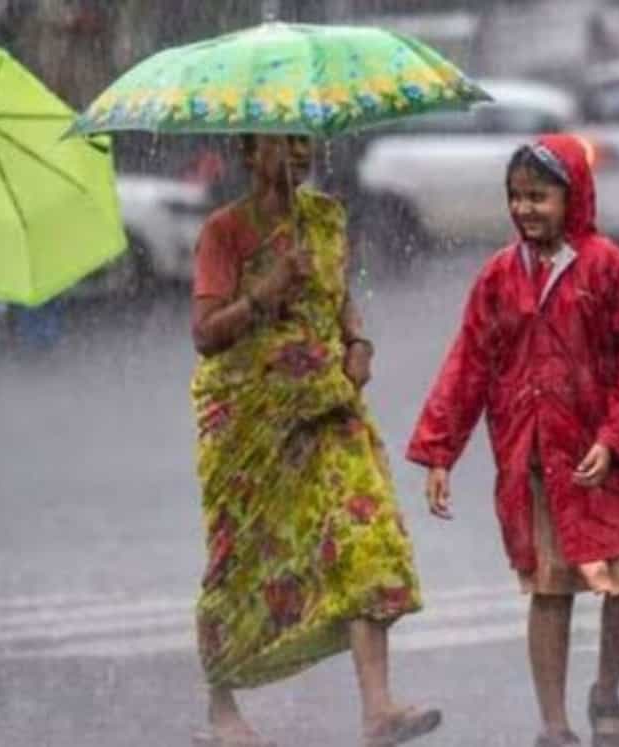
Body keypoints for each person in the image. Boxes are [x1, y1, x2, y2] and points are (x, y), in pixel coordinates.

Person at [407, 135, 619, 746]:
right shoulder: (499, 277)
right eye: (516, 197)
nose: (526, 210)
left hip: (609, 462)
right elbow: (468, 364)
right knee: (550, 589)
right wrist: (440, 451)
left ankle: (606, 689)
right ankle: (554, 725)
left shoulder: (606, 267)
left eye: (540, 197)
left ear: (572, 196)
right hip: (538, 461)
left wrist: (618, 436)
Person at [189, 134, 437, 747]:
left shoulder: (325, 219)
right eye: (283, 144)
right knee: (241, 558)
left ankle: (378, 709)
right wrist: (263, 293)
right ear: (250, 153)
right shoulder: (225, 232)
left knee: (364, 534)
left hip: (327, 403)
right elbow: (205, 333)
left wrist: (358, 343)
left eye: (305, 143)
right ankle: (223, 713)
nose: (298, 155)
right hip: (251, 419)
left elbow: (342, 301)